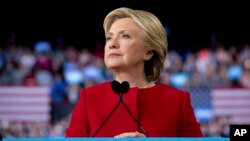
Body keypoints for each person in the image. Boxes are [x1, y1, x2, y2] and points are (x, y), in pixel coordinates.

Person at [65, 7, 203, 138]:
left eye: (125, 36)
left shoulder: (177, 101)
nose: (112, 44)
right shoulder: (89, 99)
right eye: (109, 38)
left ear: (148, 52)